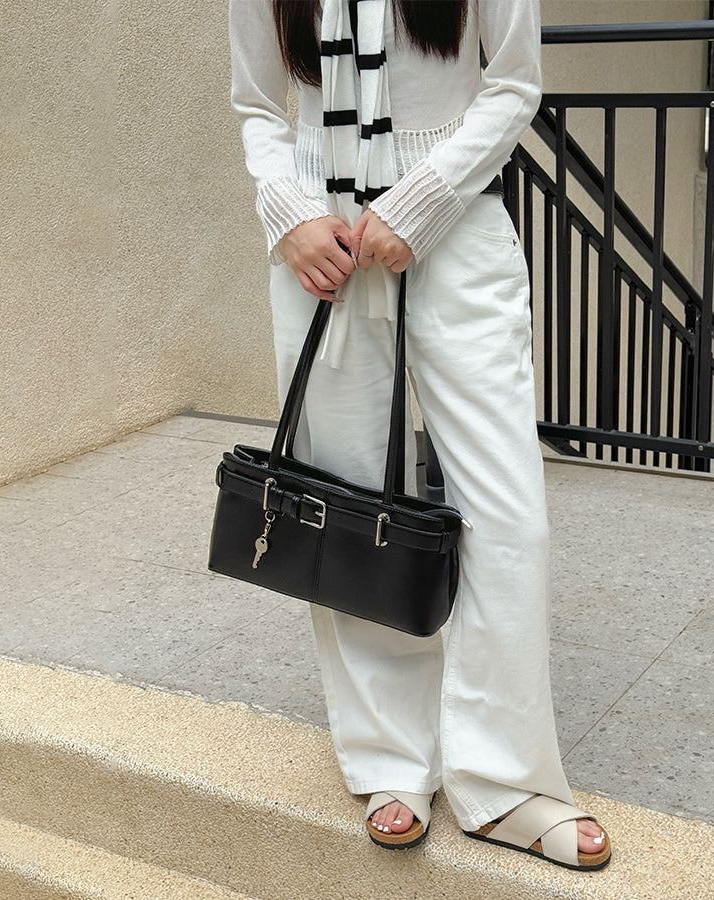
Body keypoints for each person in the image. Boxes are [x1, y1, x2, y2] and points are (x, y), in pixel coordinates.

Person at [229, 0, 611, 871]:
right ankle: (392, 759)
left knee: (507, 513)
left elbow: (512, 84)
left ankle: (505, 780)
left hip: (457, 232)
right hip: (319, 252)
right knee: (349, 505)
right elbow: (256, 103)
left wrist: (422, 201)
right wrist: (288, 212)